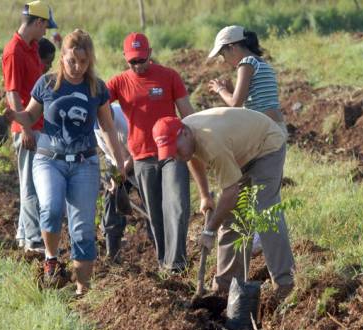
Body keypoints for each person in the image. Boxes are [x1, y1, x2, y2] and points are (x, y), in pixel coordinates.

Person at [3, 29, 125, 296]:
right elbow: (30, 115)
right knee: (51, 208)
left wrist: (119, 160)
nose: (77, 67)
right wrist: (14, 115)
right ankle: (51, 257)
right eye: (72, 61)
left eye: (83, 62)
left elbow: (107, 127)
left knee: (82, 229)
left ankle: (83, 291)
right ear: (63, 58)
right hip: (49, 159)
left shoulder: (96, 87)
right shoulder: (46, 84)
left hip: (85, 163)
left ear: (89, 60)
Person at [152, 107, 295, 298]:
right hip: (240, 154)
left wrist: (209, 230)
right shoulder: (188, 135)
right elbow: (192, 158)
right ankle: (226, 289)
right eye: (171, 153)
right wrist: (205, 196)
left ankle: (285, 283)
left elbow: (230, 191)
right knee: (232, 219)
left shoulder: (212, 142)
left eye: (176, 150)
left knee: (265, 213)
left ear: (185, 133)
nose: (176, 156)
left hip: (266, 145)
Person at [107, 32, 195, 272]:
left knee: (176, 205)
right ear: (125, 58)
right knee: (155, 213)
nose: (138, 65)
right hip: (142, 158)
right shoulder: (118, 83)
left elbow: (188, 113)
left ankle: (177, 264)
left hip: (172, 152)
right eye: (133, 61)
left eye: (142, 60)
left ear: (150, 53)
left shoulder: (169, 76)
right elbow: (98, 104)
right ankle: (164, 262)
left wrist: (198, 145)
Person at [208, 25, 287, 254]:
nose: (224, 60)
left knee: (250, 188)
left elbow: (234, 104)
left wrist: (221, 90)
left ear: (233, 47)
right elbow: (248, 101)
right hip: (275, 129)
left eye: (223, 54)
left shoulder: (246, 64)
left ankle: (258, 238)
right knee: (263, 189)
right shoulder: (262, 63)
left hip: (264, 135)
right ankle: (258, 235)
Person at [2, 0, 57, 253]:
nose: (45, 32)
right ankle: (34, 240)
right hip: (27, 128)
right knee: (32, 183)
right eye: (45, 27)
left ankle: (24, 234)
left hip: (38, 124)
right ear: (37, 22)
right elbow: (12, 92)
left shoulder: (32, 47)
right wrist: (24, 128)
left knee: (34, 181)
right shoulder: (14, 51)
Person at [94, 103, 152, 262]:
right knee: (111, 202)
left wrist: (120, 173)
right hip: (117, 164)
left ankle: (162, 250)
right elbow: (104, 153)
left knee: (151, 204)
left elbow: (137, 152)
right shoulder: (93, 122)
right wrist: (112, 178)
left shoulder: (125, 121)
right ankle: (113, 255)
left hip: (141, 159)